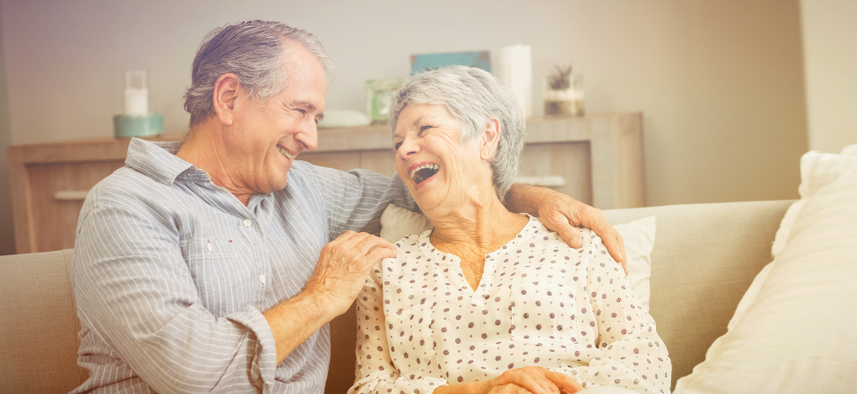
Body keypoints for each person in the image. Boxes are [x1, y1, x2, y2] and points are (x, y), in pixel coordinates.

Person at [71, 21, 625, 393]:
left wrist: (531, 196)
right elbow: (192, 373)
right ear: (229, 98)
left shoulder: (303, 188)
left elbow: (436, 185)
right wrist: (319, 299)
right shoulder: (125, 207)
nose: (311, 136)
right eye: (301, 111)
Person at [351, 66, 670, 394]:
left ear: (487, 137)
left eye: (424, 129)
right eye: (398, 142)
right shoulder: (385, 269)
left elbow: (643, 358)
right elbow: (369, 387)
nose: (404, 150)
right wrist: (480, 391)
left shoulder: (576, 244)